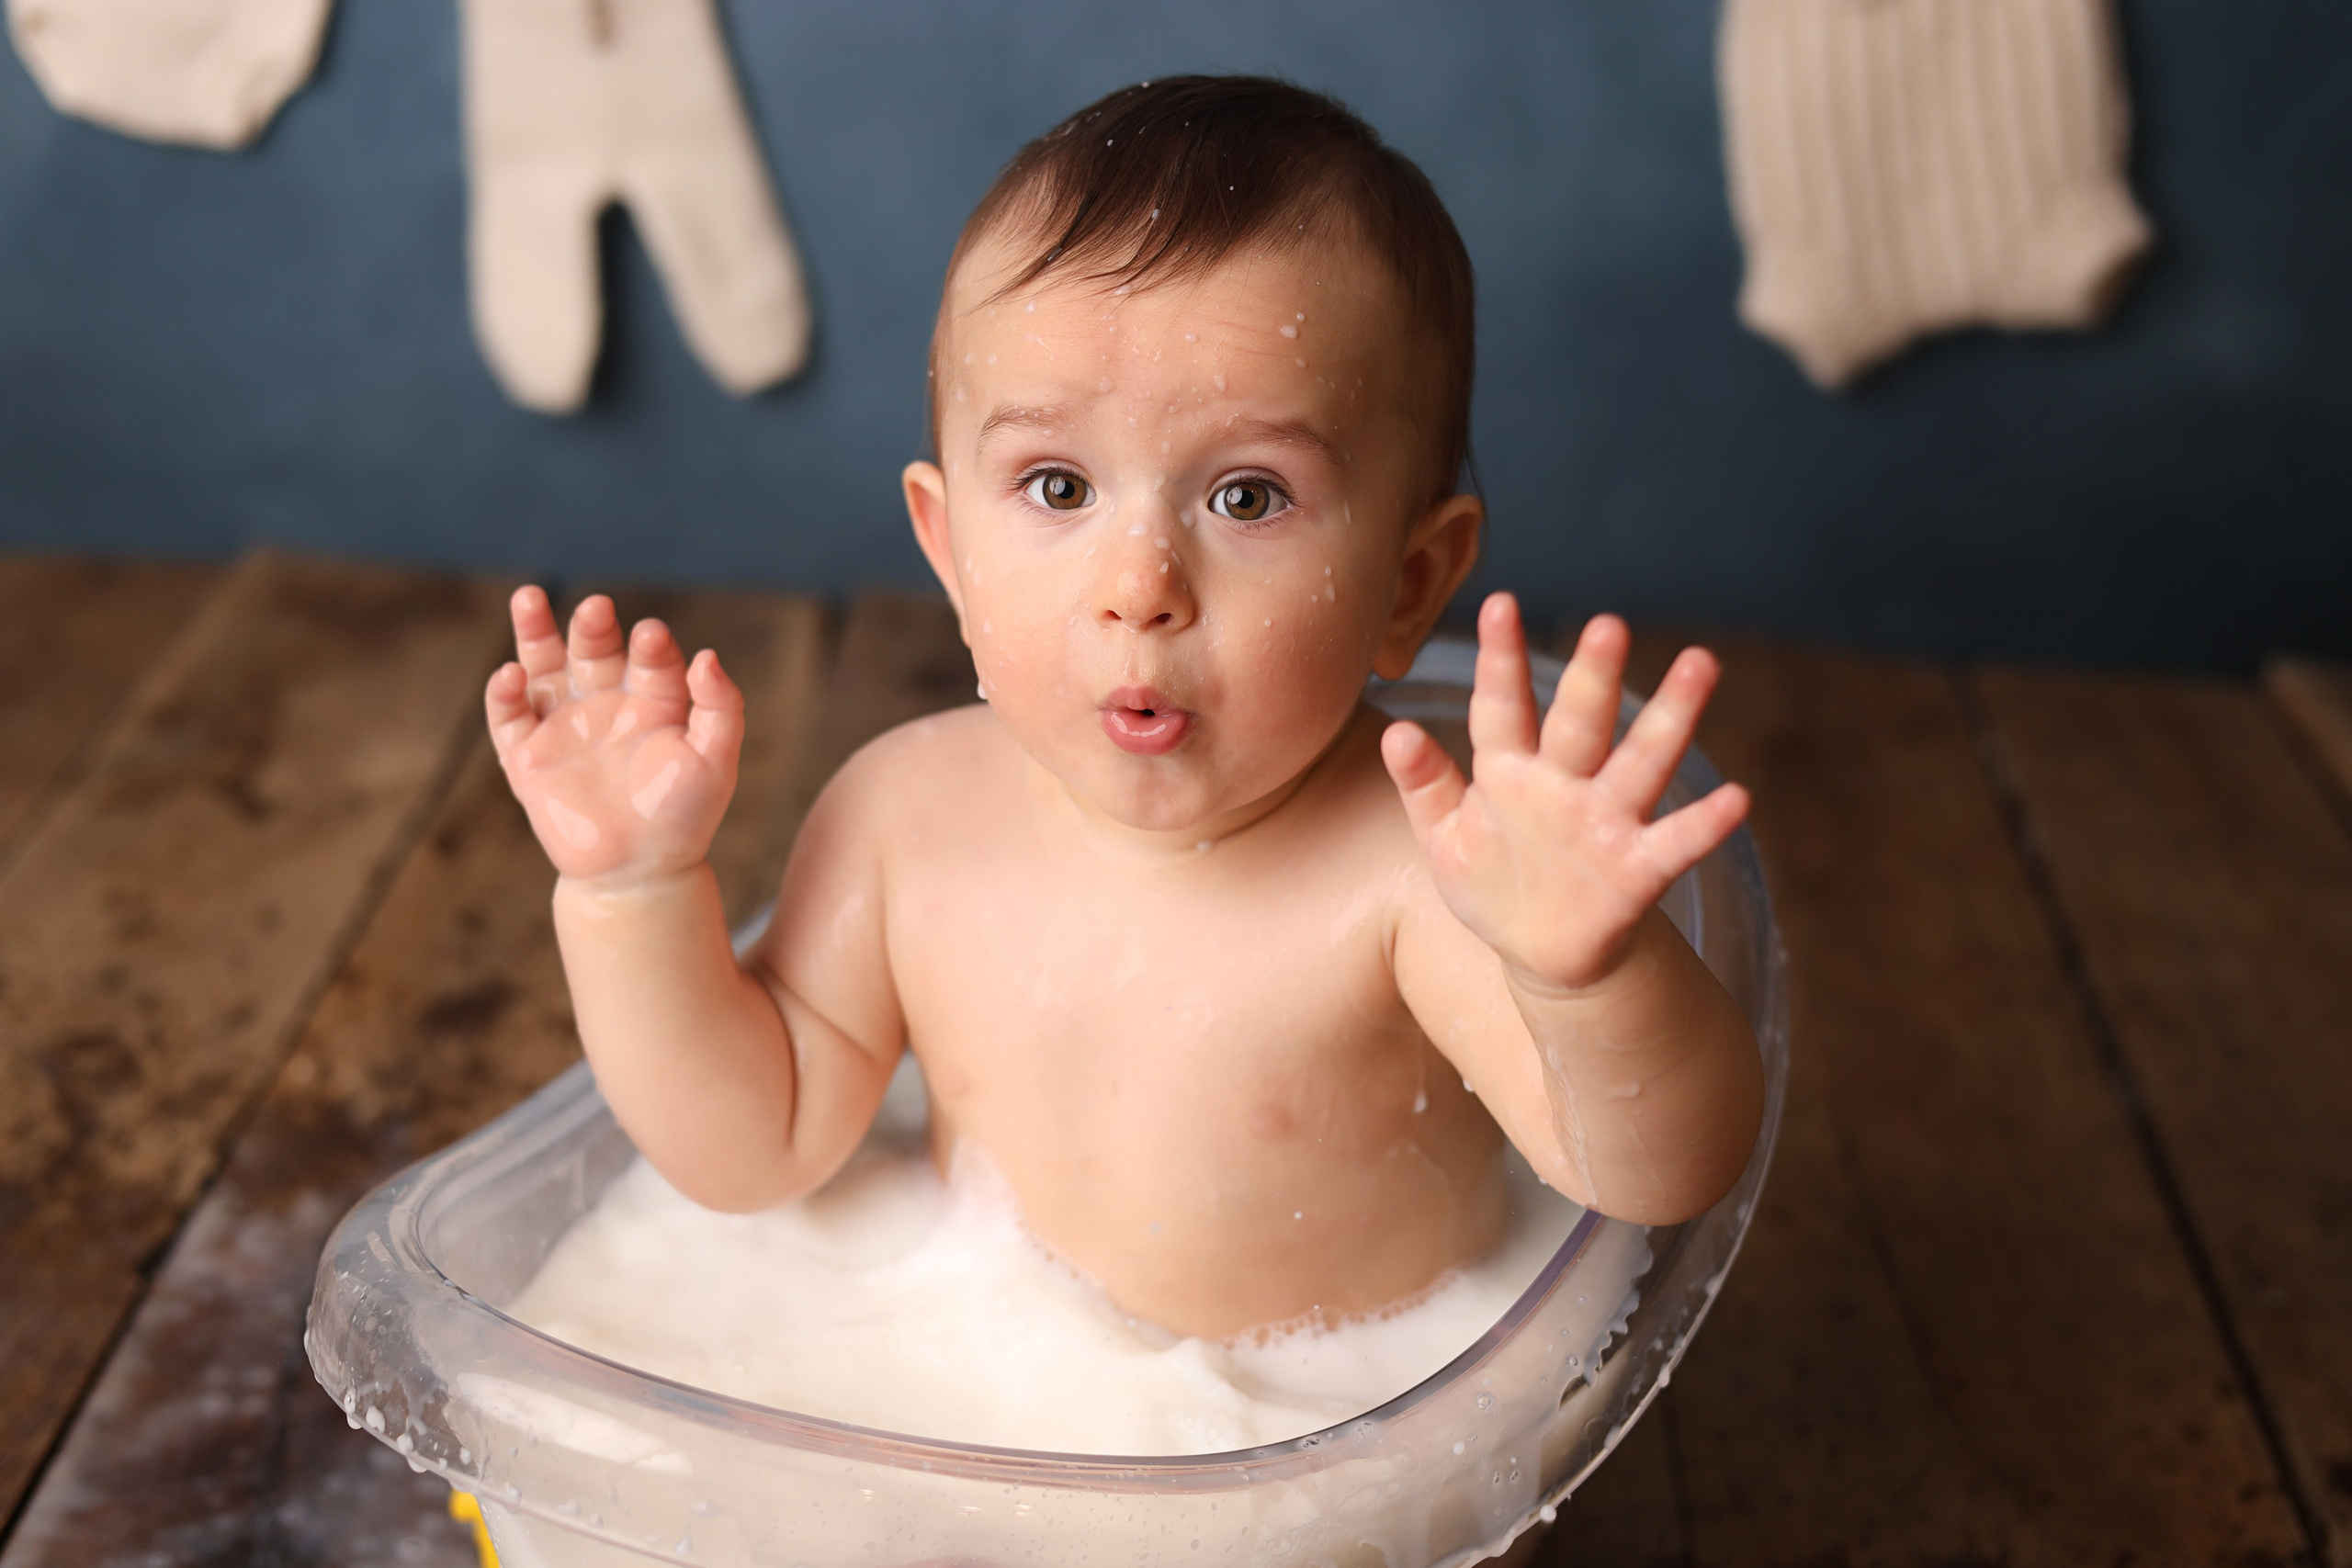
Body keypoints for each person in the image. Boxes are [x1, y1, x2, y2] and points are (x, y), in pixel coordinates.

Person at [484, 76, 1764, 1340]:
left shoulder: (1422, 872)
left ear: (1409, 583)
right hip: (972, 1397)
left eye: (1247, 497)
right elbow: (755, 1146)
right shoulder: (902, 820)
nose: (1140, 587)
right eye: (1057, 486)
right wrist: (632, 894)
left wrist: (1583, 981)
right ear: (949, 546)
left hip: (1326, 1440)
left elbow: (1652, 1175)